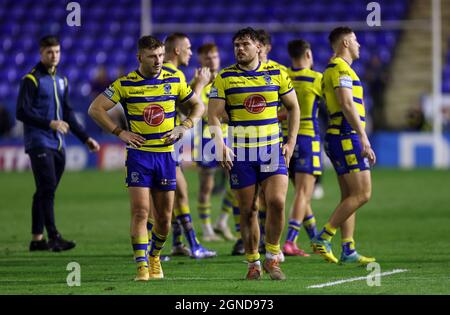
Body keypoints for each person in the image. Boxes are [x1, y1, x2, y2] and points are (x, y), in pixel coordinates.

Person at [88, 35, 204, 281]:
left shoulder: (175, 79)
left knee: (163, 219)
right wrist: (119, 132)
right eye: (153, 56)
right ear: (140, 57)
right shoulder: (125, 84)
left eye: (161, 55)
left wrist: (184, 126)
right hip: (139, 157)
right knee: (141, 212)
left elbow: (198, 106)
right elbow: (95, 109)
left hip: (166, 157)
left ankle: (154, 257)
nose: (158, 60)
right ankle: (141, 266)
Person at [208, 27, 300, 280]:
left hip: (272, 149)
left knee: (277, 202)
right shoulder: (225, 77)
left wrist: (290, 141)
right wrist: (220, 144)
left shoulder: (278, 73)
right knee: (248, 209)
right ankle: (253, 262)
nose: (239, 49)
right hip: (241, 154)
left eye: (245, 44)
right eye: (236, 44)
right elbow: (213, 114)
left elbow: (294, 107)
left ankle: (272, 257)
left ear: (258, 47)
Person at [16, 35, 100, 252]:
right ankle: (53, 236)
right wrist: (49, 123)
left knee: (44, 190)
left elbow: (69, 113)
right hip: (38, 142)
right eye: (49, 52)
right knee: (47, 189)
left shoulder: (62, 80)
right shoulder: (31, 80)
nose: (54, 56)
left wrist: (85, 138)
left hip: (58, 144)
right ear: (41, 53)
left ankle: (37, 239)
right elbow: (21, 111)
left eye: (57, 52)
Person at [311, 27, 376, 265]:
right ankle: (324, 236)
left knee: (349, 195)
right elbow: (346, 104)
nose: (359, 45)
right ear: (347, 42)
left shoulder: (336, 68)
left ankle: (348, 249)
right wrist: (364, 137)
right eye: (356, 41)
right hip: (346, 135)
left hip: (338, 136)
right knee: (363, 193)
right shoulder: (340, 68)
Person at [162, 33, 217, 258]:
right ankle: (190, 245)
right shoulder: (173, 74)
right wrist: (200, 84)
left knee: (174, 195)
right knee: (173, 195)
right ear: (177, 50)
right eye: (188, 48)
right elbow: (188, 109)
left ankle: (178, 243)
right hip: (165, 144)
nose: (191, 53)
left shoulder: (163, 72)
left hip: (165, 144)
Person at [190, 43, 237, 243]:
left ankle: (223, 221)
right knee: (206, 186)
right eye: (207, 57)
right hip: (206, 139)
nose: (212, 60)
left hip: (229, 136)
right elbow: (196, 107)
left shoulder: (225, 79)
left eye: (215, 56)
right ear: (200, 60)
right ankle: (207, 229)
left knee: (237, 182)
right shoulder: (197, 83)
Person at [281, 39, 322, 257]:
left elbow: (282, 111)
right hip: (307, 138)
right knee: (304, 193)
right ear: (308, 54)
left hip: (287, 139)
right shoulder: (317, 79)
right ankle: (290, 241)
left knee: (300, 194)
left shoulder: (283, 76)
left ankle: (315, 239)